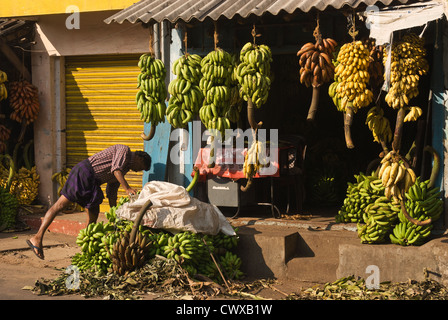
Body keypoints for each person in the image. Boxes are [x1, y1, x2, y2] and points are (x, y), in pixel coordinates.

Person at [26, 144, 151, 260]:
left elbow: (111, 190)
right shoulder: (124, 151)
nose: (137, 172)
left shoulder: (124, 169)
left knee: (94, 208)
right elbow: (115, 170)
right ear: (140, 158)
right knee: (60, 205)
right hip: (85, 173)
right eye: (141, 168)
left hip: (91, 180)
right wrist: (127, 189)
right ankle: (37, 237)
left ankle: (86, 243)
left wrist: (115, 214)